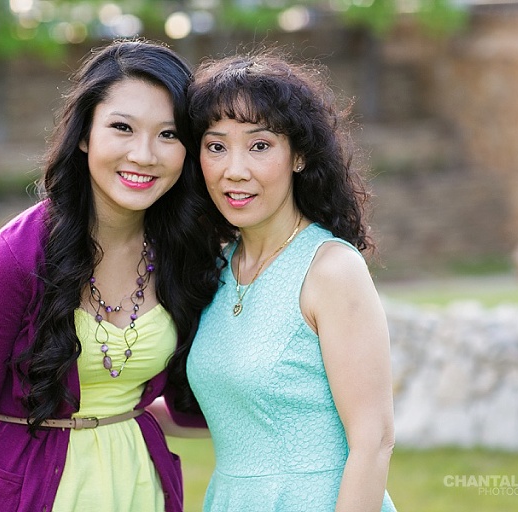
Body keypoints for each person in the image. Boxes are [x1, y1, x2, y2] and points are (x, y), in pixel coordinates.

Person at [0, 39, 222, 512]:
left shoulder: (183, 251)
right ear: (85, 134)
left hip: (138, 487)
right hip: (34, 492)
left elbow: (200, 400)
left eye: (168, 134)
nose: (144, 155)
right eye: (122, 128)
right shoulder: (13, 259)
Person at [183, 51, 398, 511]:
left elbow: (374, 440)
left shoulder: (331, 270)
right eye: (216, 146)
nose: (234, 170)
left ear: (298, 155)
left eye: (259, 146)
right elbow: (232, 412)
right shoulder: (218, 270)